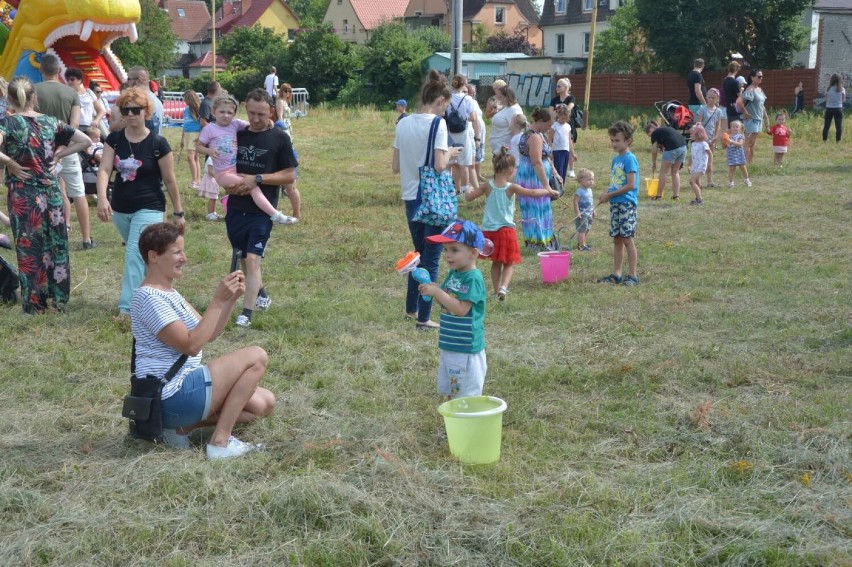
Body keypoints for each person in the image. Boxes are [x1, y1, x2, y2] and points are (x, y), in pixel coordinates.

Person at [131, 222, 275, 458]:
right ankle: (220, 443)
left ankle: (180, 428)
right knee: (256, 356)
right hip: (169, 394)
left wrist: (229, 301)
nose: (184, 258)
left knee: (263, 404)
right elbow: (191, 345)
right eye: (177, 252)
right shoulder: (148, 297)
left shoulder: (169, 293)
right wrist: (217, 301)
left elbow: (209, 332)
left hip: (182, 390)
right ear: (154, 256)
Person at [0, 76, 91, 313]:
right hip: (51, 192)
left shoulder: (7, 124)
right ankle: (57, 298)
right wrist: (59, 155)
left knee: (29, 247)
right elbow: (85, 140)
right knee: (56, 245)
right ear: (34, 98)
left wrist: (9, 162)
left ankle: (34, 303)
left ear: (9, 98)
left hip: (23, 195)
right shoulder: (52, 122)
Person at [95, 87, 185, 319]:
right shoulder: (114, 140)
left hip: (150, 206)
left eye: (137, 110)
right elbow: (105, 169)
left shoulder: (158, 144)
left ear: (146, 111)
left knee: (135, 253)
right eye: (126, 110)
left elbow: (170, 179)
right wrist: (103, 198)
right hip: (121, 207)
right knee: (148, 257)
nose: (131, 114)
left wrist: (179, 211)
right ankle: (158, 296)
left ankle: (128, 309)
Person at [392, 70, 461, 331]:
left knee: (419, 254)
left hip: (410, 197)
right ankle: (424, 318)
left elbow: (396, 166)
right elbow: (440, 165)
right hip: (431, 200)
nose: (446, 112)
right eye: (447, 106)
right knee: (431, 259)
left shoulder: (403, 123)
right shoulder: (437, 124)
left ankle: (411, 308)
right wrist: (452, 152)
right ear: (440, 100)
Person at [224, 88, 298, 328]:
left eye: (262, 114)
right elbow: (224, 167)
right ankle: (262, 294)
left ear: (272, 112)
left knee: (254, 258)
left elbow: (288, 176)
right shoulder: (237, 134)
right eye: (252, 113)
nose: (256, 119)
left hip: (262, 212)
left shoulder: (279, 138)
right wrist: (230, 187)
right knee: (244, 256)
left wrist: (257, 179)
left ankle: (247, 312)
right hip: (235, 207)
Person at [464, 149, 558, 300]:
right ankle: (503, 288)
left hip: (489, 231)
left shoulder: (486, 186)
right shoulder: (511, 187)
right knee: (509, 263)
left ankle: (496, 291)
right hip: (506, 231)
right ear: (510, 170)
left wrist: (467, 189)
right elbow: (532, 193)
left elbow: (469, 197)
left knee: (495, 263)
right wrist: (549, 191)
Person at [196, 95, 296, 226]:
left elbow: (252, 125)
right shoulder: (209, 128)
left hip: (234, 171)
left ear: (234, 114)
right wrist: (209, 151)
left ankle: (273, 214)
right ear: (214, 112)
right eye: (221, 112)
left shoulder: (235, 124)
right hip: (222, 174)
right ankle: (275, 214)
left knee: (251, 187)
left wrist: (270, 123)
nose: (225, 115)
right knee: (253, 187)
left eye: (229, 112)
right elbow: (198, 146)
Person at [419, 220, 489, 399]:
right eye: (446, 250)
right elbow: (447, 299)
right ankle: (456, 421)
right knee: (454, 389)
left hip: (466, 348)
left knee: (466, 394)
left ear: (473, 253)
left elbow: (461, 309)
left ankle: (467, 424)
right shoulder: (454, 273)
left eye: (455, 250)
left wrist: (437, 293)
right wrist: (433, 289)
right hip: (451, 343)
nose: (448, 255)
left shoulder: (473, 278)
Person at [34, 54, 96, 249]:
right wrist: (63, 146)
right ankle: (86, 239)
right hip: (67, 149)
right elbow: (75, 124)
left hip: (40, 150)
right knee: (78, 192)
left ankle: (44, 236)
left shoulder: (33, 91)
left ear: (41, 70)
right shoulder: (71, 94)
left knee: (42, 193)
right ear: (58, 71)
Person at [597, 121, 639, 286]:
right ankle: (616, 274)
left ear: (628, 141)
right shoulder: (616, 160)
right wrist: (606, 194)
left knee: (627, 238)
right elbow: (616, 182)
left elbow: (630, 185)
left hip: (626, 204)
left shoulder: (630, 159)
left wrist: (611, 195)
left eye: (617, 140)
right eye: (612, 140)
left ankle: (633, 275)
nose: (614, 144)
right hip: (615, 203)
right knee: (617, 239)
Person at [516, 108, 561, 250]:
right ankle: (538, 243)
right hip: (533, 177)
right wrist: (546, 186)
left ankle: (543, 241)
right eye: (548, 125)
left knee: (540, 208)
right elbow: (537, 162)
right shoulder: (534, 137)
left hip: (537, 175)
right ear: (540, 121)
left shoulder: (538, 134)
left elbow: (546, 157)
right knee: (535, 208)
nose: (549, 128)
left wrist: (555, 173)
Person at [447, 75, 481, 195]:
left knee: (453, 162)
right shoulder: (467, 99)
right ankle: (465, 188)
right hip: (463, 131)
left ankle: (456, 188)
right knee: (464, 163)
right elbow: (473, 117)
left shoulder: (448, 98)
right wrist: (463, 116)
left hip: (449, 131)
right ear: (464, 84)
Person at [275, 83, 302, 219]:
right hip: (284, 133)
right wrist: (282, 133)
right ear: (281, 91)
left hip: (289, 134)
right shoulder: (280, 102)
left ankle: (296, 213)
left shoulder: (286, 102)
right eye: (285, 90)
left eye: (290, 91)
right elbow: (280, 118)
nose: (288, 93)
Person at [645, 120, 687, 200]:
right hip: (683, 147)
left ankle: (658, 196)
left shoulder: (655, 133)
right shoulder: (665, 129)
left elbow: (654, 151)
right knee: (675, 172)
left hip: (672, 148)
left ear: (651, 130)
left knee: (663, 173)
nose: (651, 137)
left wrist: (654, 163)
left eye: (649, 135)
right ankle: (676, 196)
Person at [694, 88, 724, 187]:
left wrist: (715, 136)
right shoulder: (702, 109)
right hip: (701, 138)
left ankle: (710, 181)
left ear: (717, 99)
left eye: (713, 98)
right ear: (706, 98)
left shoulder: (718, 111)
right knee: (699, 159)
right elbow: (698, 124)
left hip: (712, 139)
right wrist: (702, 137)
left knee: (710, 160)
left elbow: (718, 125)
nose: (711, 99)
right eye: (709, 97)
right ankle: (697, 180)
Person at [741, 69, 770, 165]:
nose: (761, 78)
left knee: (752, 143)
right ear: (752, 77)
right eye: (759, 76)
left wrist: (766, 118)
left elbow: (762, 106)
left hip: (758, 119)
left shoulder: (760, 90)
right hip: (751, 120)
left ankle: (750, 163)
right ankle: (744, 164)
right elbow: (741, 102)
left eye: (762, 76)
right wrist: (744, 112)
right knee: (748, 142)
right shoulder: (750, 89)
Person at [125, 67, 164, 135]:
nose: (126, 82)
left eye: (129, 79)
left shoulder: (141, 100)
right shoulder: (156, 100)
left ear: (138, 80)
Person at [489, 85, 523, 155]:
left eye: (501, 97)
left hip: (505, 151)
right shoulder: (506, 107)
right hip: (498, 149)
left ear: (507, 97)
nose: (499, 99)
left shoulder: (514, 110)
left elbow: (517, 131)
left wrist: (511, 148)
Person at [179, 90, 202, 189]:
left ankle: (195, 181)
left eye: (185, 98)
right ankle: (197, 180)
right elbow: (185, 124)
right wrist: (182, 138)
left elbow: (201, 123)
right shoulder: (186, 109)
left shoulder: (198, 108)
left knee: (190, 157)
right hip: (188, 133)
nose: (184, 100)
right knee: (195, 158)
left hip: (195, 133)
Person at [466, 84, 486, 184]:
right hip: (473, 131)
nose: (473, 93)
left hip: (480, 131)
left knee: (479, 153)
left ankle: (478, 174)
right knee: (474, 153)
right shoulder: (467, 102)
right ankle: (472, 177)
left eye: (474, 91)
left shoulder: (475, 102)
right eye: (471, 92)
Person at [548, 104, 572, 184]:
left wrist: (573, 153)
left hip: (566, 150)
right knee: (559, 169)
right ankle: (557, 185)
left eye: (566, 118)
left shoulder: (568, 126)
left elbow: (569, 140)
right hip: (557, 151)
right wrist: (550, 151)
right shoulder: (554, 126)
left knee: (564, 169)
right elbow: (549, 139)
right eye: (562, 118)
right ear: (558, 115)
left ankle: (562, 184)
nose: (564, 120)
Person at [573, 168, 596, 251]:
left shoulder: (590, 190)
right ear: (581, 180)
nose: (591, 181)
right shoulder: (579, 191)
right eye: (589, 180)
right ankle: (581, 246)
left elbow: (591, 202)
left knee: (587, 229)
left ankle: (583, 243)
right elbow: (575, 202)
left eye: (592, 179)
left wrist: (593, 210)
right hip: (582, 215)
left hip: (589, 214)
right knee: (582, 230)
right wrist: (577, 212)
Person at [688, 123, 710, 205]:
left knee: (691, 181)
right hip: (695, 166)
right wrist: (689, 165)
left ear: (698, 134)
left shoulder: (704, 144)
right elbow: (692, 155)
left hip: (701, 166)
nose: (690, 135)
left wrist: (709, 164)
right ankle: (698, 197)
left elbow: (710, 154)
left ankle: (700, 199)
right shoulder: (693, 144)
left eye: (691, 133)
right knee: (696, 182)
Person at [725, 119, 750, 187]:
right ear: (730, 127)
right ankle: (731, 182)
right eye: (733, 126)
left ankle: (746, 180)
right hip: (731, 155)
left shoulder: (740, 136)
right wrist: (725, 142)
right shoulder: (728, 136)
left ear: (740, 128)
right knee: (732, 168)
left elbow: (740, 144)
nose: (735, 128)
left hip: (739, 154)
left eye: (737, 127)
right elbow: (725, 145)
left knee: (743, 167)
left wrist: (731, 141)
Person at [823, 73, 846, 143]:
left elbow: (826, 99)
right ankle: (838, 141)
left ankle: (825, 140)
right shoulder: (842, 89)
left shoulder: (828, 89)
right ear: (839, 80)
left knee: (826, 125)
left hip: (829, 108)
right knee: (838, 126)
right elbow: (843, 100)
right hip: (838, 109)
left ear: (831, 80)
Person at [720, 60, 742, 130]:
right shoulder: (735, 82)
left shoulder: (725, 81)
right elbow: (740, 96)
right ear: (736, 70)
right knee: (738, 128)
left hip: (728, 107)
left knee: (731, 128)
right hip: (736, 108)